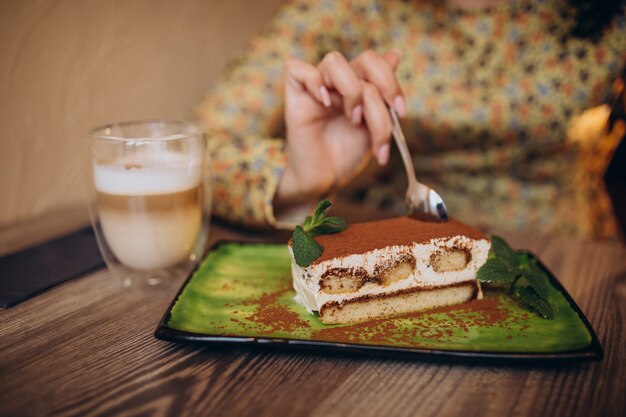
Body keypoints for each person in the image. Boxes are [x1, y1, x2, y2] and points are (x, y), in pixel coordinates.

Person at [196, 0, 626, 238]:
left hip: (572, 256)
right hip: (392, 247)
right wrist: (297, 178)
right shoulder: (343, 9)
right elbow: (196, 150)